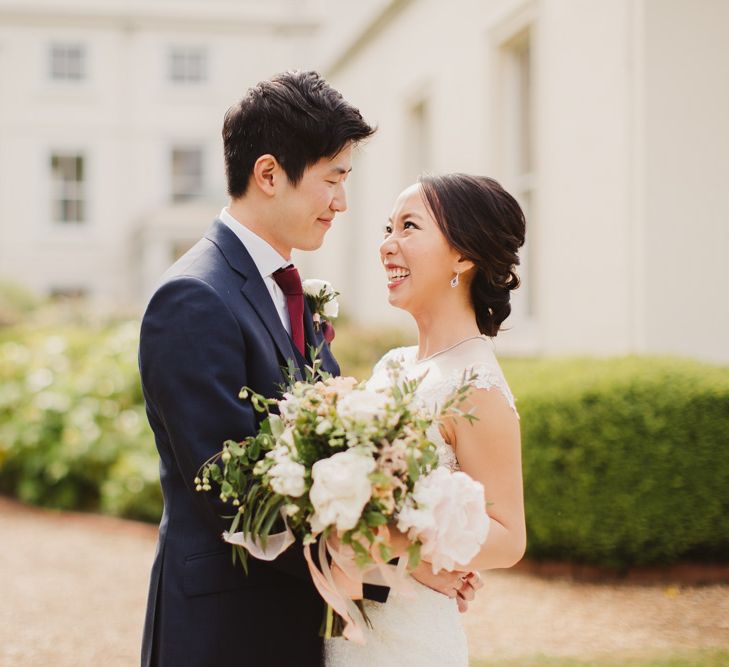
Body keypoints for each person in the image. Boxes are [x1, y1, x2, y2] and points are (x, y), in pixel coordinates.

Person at [324, 173, 528, 666]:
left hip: (410, 645)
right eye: (387, 229)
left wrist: (407, 546)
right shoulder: (392, 364)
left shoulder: (476, 386)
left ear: (463, 255)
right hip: (356, 618)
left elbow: (507, 537)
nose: (386, 247)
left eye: (408, 227)